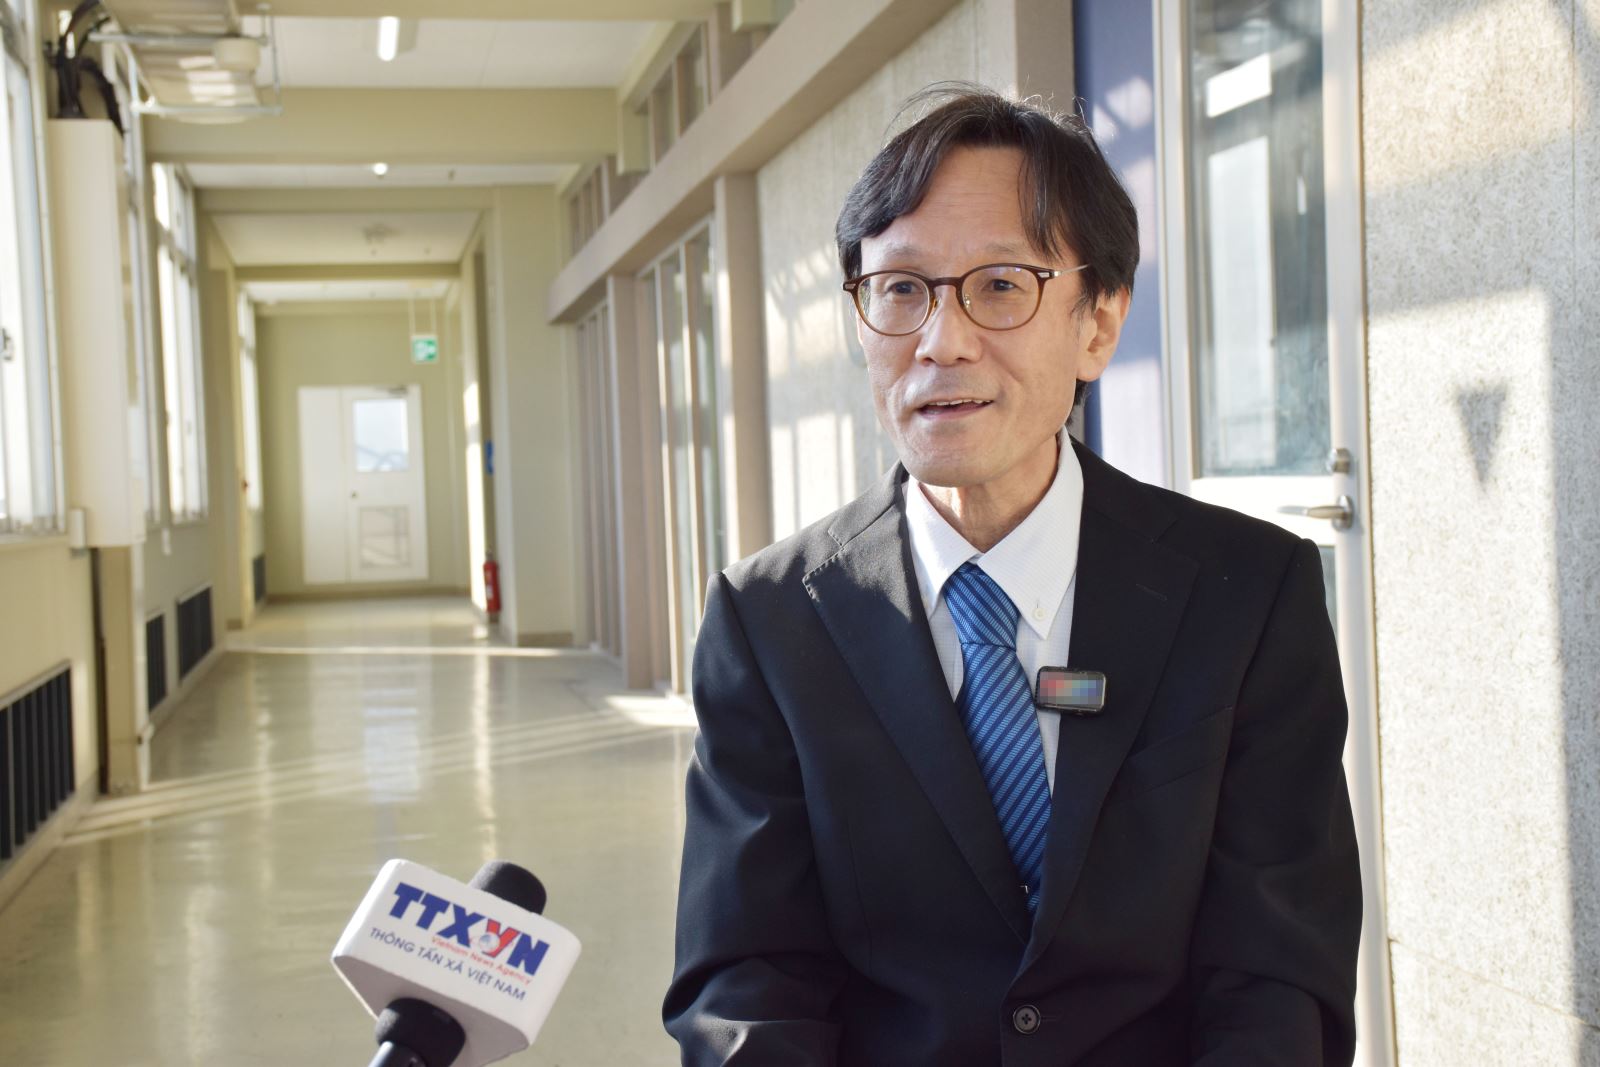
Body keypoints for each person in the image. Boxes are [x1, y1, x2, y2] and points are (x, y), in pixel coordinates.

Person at [664, 85, 1361, 1066]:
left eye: (999, 285)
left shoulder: (1246, 592)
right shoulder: (770, 621)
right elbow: (745, 980)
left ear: (1098, 323)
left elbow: (1276, 971)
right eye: (900, 289)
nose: (940, 340)